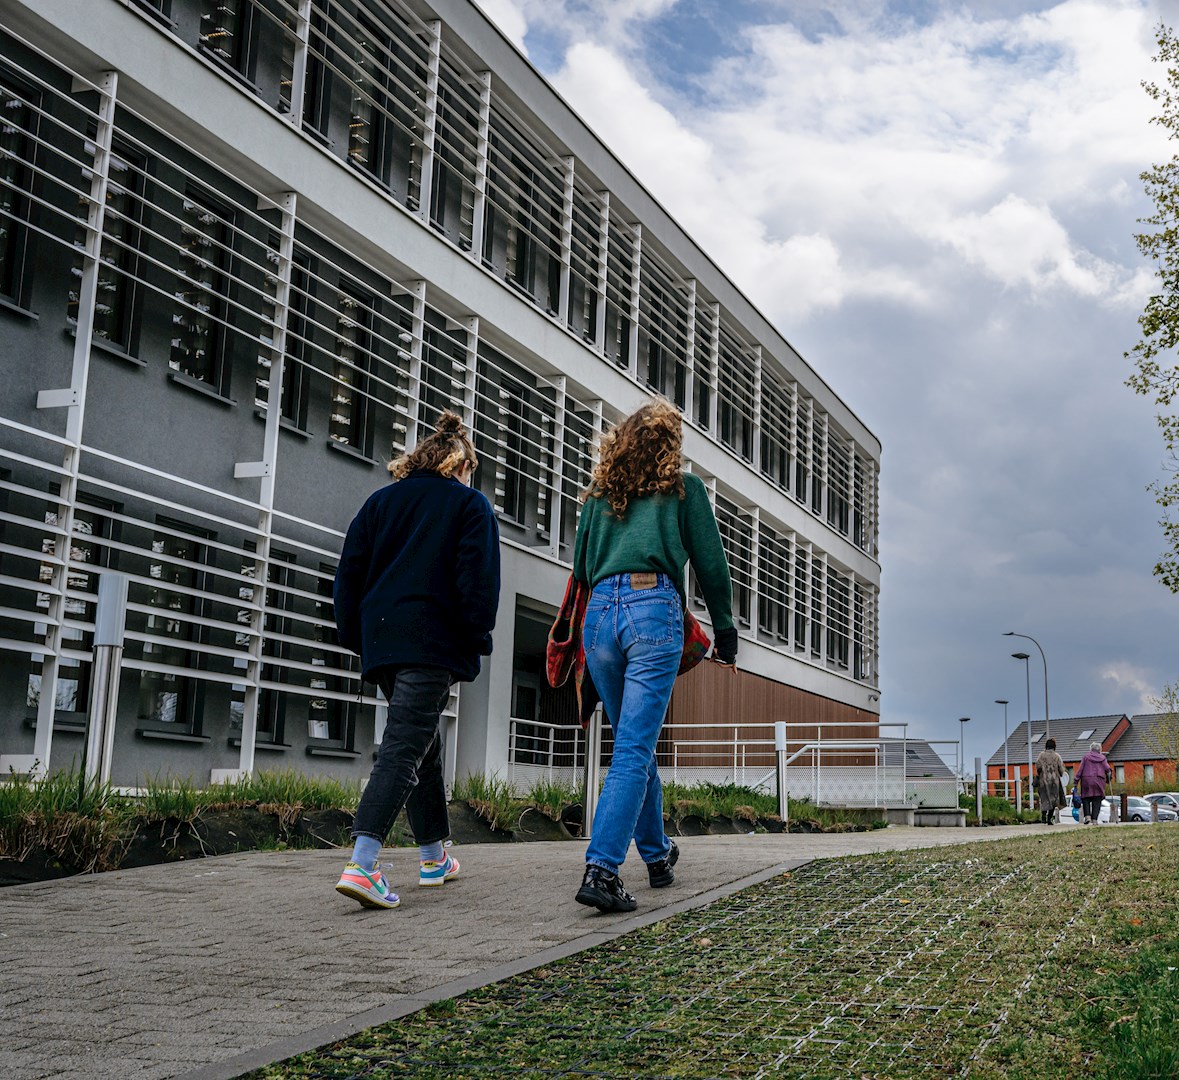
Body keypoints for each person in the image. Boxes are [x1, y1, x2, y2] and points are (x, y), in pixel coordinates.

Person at [571, 398, 737, 913]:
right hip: (651, 612)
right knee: (634, 749)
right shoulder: (684, 490)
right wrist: (725, 629)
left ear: (621, 442)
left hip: (598, 617)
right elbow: (710, 562)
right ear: (670, 444)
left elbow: (579, 567)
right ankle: (601, 868)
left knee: (630, 742)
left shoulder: (599, 495)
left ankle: (658, 856)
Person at [332, 412, 500, 909]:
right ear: (462, 465)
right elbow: (477, 581)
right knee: (404, 744)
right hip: (432, 642)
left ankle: (433, 856)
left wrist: (355, 635)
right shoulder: (469, 504)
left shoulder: (379, 502)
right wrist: (475, 635)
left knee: (421, 743)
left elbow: (348, 575)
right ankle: (363, 864)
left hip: (382, 642)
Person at [1073, 741, 1112, 825]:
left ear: (1091, 749)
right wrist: (1109, 778)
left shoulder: (1086, 757)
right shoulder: (1103, 758)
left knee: (1086, 799)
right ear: (1100, 750)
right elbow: (1107, 769)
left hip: (1087, 780)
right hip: (1099, 780)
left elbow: (1080, 769)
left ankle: (1087, 816)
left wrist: (1076, 781)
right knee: (1097, 800)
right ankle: (1094, 819)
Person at [1034, 737, 1066, 824]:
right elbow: (1061, 769)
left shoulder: (1041, 755)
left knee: (1044, 798)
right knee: (1053, 799)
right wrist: (1061, 773)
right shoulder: (1057, 756)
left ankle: (1043, 816)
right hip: (1054, 781)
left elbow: (1038, 766)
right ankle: (1049, 818)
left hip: (1043, 781)